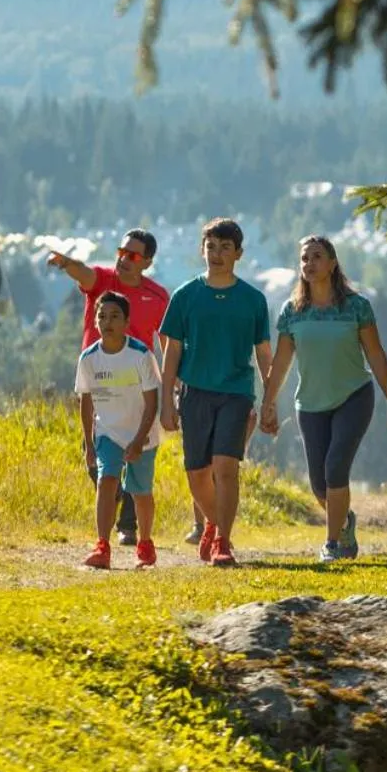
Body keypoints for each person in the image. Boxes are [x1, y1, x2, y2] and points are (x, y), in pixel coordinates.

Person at [260, 235, 387, 563]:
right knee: (319, 485)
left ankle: (331, 544)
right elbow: (281, 362)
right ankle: (345, 523)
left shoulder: (356, 306)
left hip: (353, 397)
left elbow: (376, 354)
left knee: (335, 467)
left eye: (317, 256)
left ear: (332, 262)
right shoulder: (292, 311)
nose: (309, 263)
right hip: (310, 405)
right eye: (304, 258)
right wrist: (268, 403)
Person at [159, 218, 272, 568]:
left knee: (226, 467)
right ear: (201, 250)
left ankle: (223, 540)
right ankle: (212, 522)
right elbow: (172, 351)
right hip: (195, 392)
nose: (217, 254)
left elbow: (264, 353)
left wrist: (269, 401)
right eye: (211, 247)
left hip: (236, 393)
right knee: (197, 473)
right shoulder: (185, 296)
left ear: (238, 253)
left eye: (225, 248)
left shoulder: (252, 299)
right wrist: (166, 401)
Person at [49, 228, 169, 545]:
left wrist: (170, 386)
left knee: (136, 453)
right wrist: (65, 262)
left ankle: (128, 526)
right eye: (121, 252)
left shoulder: (158, 297)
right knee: (99, 460)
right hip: (98, 382)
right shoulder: (104, 281)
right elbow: (85, 273)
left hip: (137, 387)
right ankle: (111, 498)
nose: (124, 259)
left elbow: (167, 343)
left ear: (147, 262)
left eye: (132, 255)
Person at [75, 291, 160, 571]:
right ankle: (102, 544)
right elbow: (86, 403)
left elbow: (152, 403)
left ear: (126, 322)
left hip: (142, 433)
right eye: (101, 316)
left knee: (140, 492)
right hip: (107, 432)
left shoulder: (140, 355)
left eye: (114, 316)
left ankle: (145, 542)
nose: (107, 322)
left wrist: (138, 440)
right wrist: (88, 443)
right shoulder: (88, 359)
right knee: (106, 481)